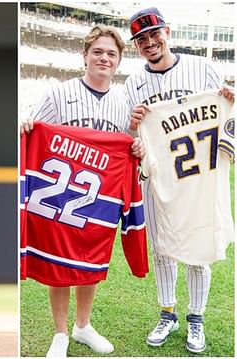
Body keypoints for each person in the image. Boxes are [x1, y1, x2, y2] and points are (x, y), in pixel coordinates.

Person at [21, 25, 145, 357]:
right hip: (61, 193)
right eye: (98, 52)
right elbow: (36, 133)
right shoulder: (59, 93)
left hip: (98, 198)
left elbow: (128, 147)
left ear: (118, 62)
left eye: (111, 54)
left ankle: (83, 325)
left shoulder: (123, 103)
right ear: (85, 55)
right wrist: (25, 126)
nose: (104, 58)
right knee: (59, 262)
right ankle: (60, 332)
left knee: (91, 260)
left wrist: (138, 148)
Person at [123, 7, 235, 353]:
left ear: (167, 32)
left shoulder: (201, 67)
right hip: (158, 179)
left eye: (153, 34)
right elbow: (131, 137)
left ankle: (196, 319)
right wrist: (133, 123)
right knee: (162, 249)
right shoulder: (132, 84)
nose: (149, 42)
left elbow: (226, 115)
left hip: (198, 175)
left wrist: (230, 100)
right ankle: (167, 312)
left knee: (198, 249)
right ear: (137, 46)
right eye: (141, 39)